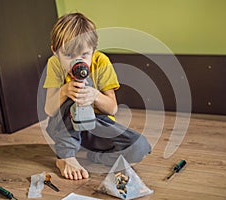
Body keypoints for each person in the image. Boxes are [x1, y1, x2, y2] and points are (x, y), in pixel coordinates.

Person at [43, 12, 151, 180]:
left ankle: (95, 155)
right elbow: (49, 110)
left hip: (95, 124)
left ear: (93, 50)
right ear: (55, 52)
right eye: (68, 55)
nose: (78, 62)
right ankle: (66, 156)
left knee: (140, 147)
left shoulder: (101, 62)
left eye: (85, 54)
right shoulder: (54, 64)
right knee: (76, 89)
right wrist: (64, 90)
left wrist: (95, 96)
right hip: (63, 124)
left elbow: (112, 108)